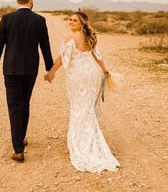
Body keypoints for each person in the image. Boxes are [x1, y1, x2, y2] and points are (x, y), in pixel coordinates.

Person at [45, 11, 120, 173]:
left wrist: (51, 73)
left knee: (79, 107)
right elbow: (97, 56)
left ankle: (81, 142)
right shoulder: (89, 37)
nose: (70, 22)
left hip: (78, 76)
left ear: (82, 23)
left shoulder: (71, 38)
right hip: (92, 74)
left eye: (74, 20)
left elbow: (61, 59)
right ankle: (90, 137)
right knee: (86, 107)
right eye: (70, 19)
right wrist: (105, 70)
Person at [0, 0, 53, 162]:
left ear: (17, 1)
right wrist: (50, 69)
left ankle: (18, 148)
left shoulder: (7, 19)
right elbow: (45, 47)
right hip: (30, 69)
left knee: (14, 106)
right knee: (25, 103)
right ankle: (21, 138)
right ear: (31, 1)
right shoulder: (39, 21)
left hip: (11, 69)